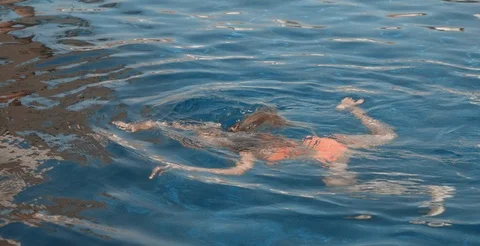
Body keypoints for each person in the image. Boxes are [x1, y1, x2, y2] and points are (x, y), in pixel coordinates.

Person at [113, 97, 397, 183]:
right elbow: (233, 170)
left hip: (327, 151)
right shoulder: (247, 143)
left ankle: (352, 110)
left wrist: (180, 167)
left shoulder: (244, 146)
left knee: (338, 183)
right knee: (386, 138)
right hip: (329, 147)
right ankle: (352, 109)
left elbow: (232, 171)